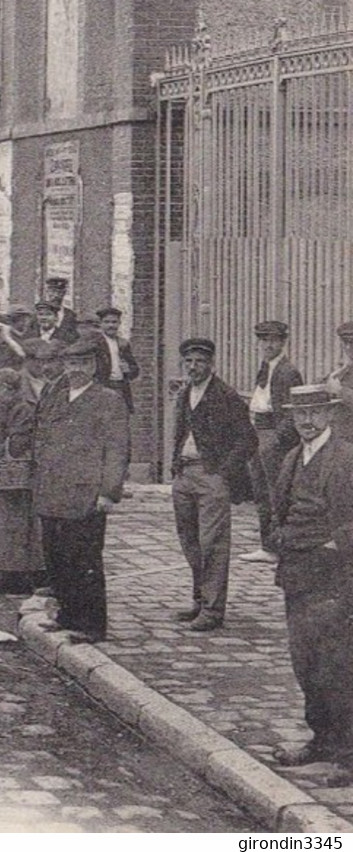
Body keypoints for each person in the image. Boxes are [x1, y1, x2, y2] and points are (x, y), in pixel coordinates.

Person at [269, 385, 353, 787]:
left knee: (337, 663)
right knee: (305, 661)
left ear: (330, 414)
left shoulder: (346, 457)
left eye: (316, 412)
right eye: (300, 414)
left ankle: (347, 756)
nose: (307, 420)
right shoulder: (291, 457)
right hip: (297, 570)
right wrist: (278, 538)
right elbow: (277, 507)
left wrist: (338, 542)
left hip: (333, 573)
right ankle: (321, 740)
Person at [31, 338, 129, 643]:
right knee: (56, 556)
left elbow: (117, 449)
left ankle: (91, 624)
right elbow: (42, 438)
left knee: (84, 559)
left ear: (94, 366)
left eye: (82, 364)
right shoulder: (56, 396)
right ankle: (67, 614)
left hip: (85, 492)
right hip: (52, 489)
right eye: (71, 364)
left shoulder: (108, 400)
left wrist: (108, 492)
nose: (75, 370)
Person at [169, 336, 257, 632]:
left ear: (211, 364)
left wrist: (221, 472)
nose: (194, 367)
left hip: (211, 478)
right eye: (189, 362)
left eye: (200, 362)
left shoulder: (225, 395)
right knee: (189, 541)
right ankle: (199, 600)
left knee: (213, 544)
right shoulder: (183, 394)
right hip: (184, 475)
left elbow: (248, 439)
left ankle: (213, 609)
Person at [0, 367, 46, 595]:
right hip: (2, 474)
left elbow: (19, 440)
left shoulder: (22, 408)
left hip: (14, 474)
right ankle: (1, 570)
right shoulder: (5, 406)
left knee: (12, 525)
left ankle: (15, 574)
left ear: (5, 388)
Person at [241, 320, 303, 565]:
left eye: (273, 340)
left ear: (283, 342)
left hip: (274, 436)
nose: (268, 345)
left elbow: (291, 411)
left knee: (276, 492)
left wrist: (277, 441)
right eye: (264, 340)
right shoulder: (266, 367)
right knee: (260, 491)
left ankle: (280, 546)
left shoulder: (288, 371)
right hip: (259, 430)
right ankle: (268, 545)